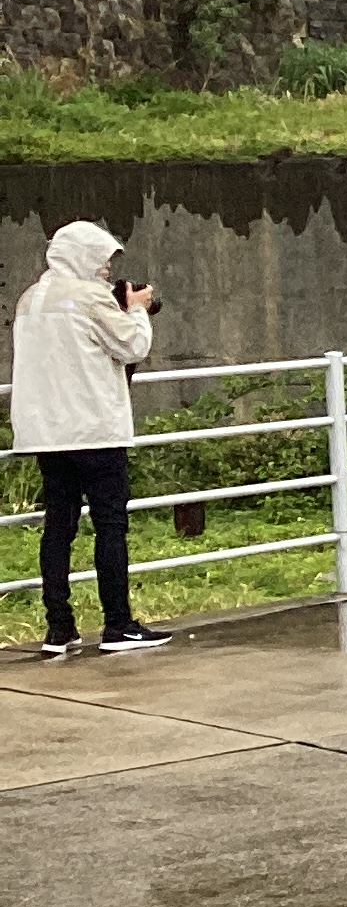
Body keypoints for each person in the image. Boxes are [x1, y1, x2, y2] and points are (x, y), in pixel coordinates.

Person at [9, 221, 169, 659]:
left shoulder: (31, 298)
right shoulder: (90, 295)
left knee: (59, 526)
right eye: (102, 260)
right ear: (84, 257)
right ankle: (118, 624)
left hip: (45, 432)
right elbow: (132, 345)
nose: (106, 270)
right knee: (110, 524)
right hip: (94, 427)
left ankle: (58, 628)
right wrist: (135, 308)